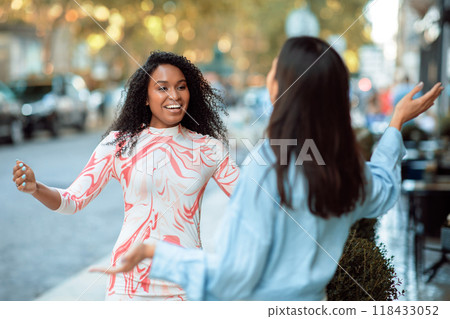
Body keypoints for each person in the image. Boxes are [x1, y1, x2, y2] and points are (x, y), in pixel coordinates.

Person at [91, 37, 444, 301]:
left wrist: (156, 253)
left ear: (283, 87)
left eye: (275, 69)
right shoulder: (344, 169)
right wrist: (395, 123)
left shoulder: (268, 166)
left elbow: (232, 276)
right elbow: (383, 189)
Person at [12, 52, 239, 301]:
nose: (174, 95)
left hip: (186, 286)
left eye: (181, 87)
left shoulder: (209, 149)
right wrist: (36, 188)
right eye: (162, 88)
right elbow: (72, 201)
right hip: (127, 285)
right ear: (144, 97)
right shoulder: (118, 144)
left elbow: (252, 198)